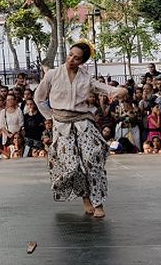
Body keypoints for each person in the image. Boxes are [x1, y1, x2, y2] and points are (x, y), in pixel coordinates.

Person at [34, 41, 127, 219]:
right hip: (61, 124)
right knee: (72, 166)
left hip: (83, 122)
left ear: (82, 61)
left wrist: (117, 90)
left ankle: (98, 202)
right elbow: (39, 98)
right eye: (70, 55)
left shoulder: (85, 77)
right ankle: (85, 197)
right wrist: (49, 117)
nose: (71, 60)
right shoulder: (53, 74)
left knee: (93, 159)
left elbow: (102, 88)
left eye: (76, 58)